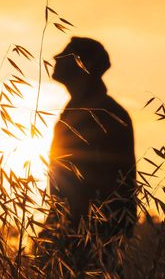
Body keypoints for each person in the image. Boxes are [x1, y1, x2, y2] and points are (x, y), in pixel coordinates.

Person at [42, 37, 136, 262]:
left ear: (84, 65)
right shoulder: (77, 111)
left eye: (64, 54)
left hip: (92, 235)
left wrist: (81, 230)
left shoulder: (106, 114)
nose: (55, 58)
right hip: (70, 230)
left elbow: (117, 184)